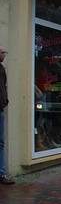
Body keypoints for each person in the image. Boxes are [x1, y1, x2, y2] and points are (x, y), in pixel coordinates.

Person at [0, 45, 15, 185]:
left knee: (1, 142)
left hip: (0, 109)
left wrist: (5, 101)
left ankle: (1, 173)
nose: (4, 54)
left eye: (5, 52)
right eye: (2, 52)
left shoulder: (2, 69)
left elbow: (4, 86)